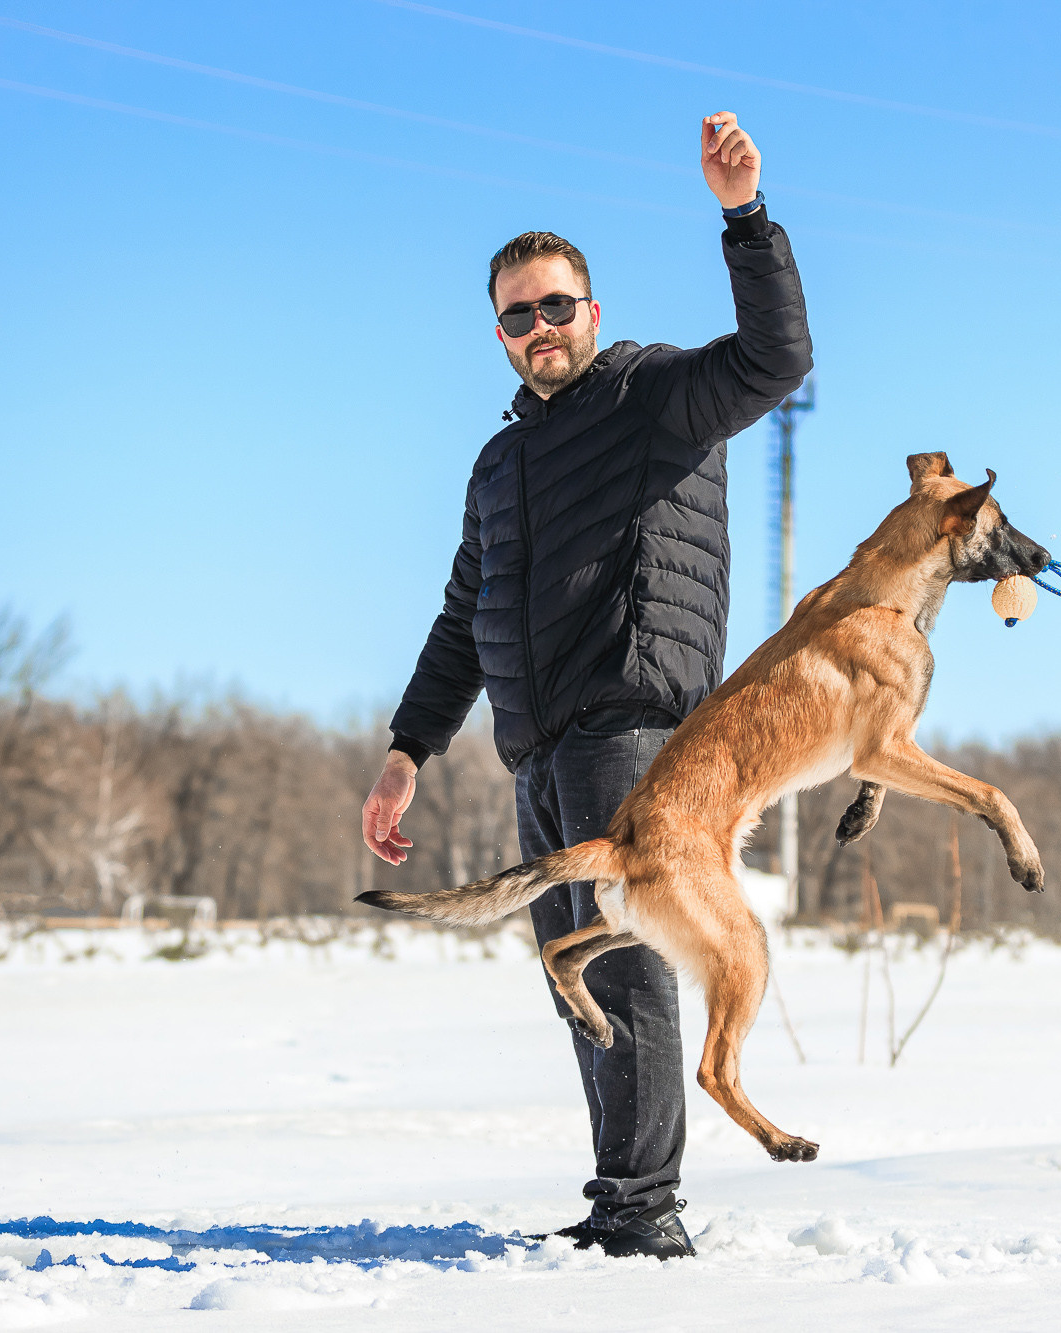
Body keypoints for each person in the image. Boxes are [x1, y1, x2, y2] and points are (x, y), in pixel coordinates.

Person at [359, 111, 812, 1260]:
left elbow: (775, 359)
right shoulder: (499, 462)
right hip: (539, 752)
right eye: (517, 313)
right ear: (500, 333)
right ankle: (620, 1191)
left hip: (637, 734)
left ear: (589, 312)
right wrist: (410, 748)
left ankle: (643, 1213)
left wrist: (743, 218)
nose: (538, 326)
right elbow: (462, 617)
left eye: (555, 304)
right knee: (577, 978)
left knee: (627, 970)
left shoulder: (651, 394)